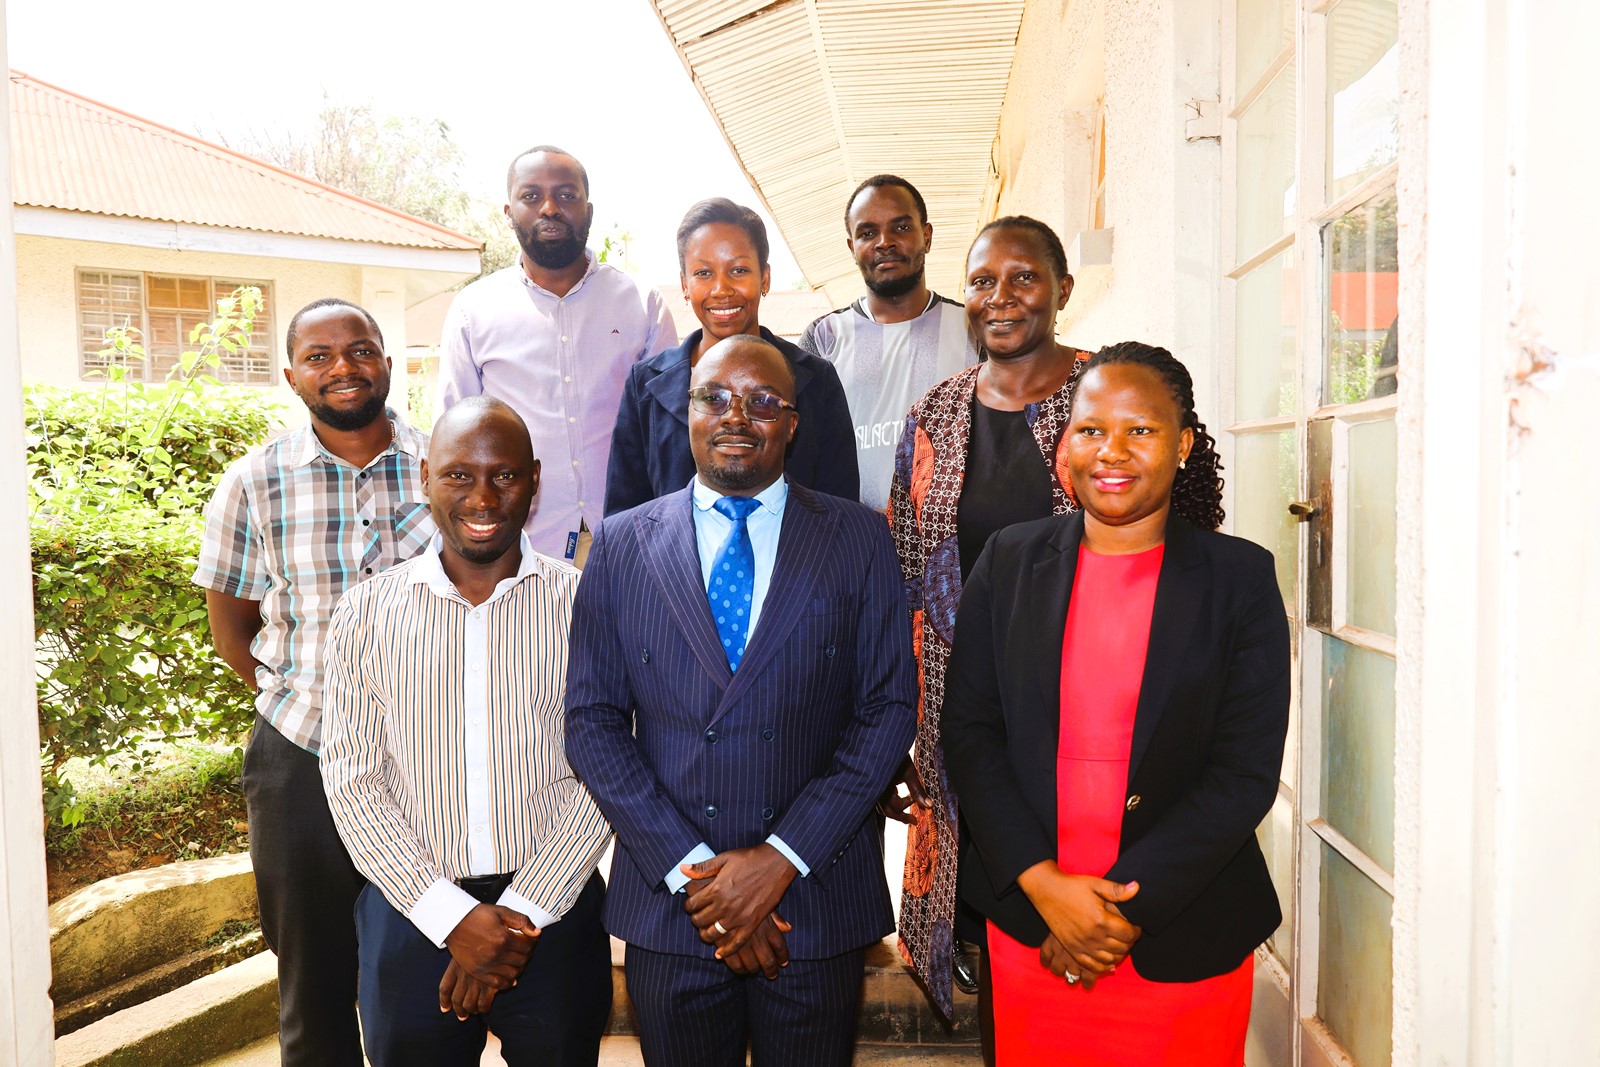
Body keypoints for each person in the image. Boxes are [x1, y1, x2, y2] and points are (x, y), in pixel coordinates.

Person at [567, 335, 917, 1067]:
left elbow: (887, 709)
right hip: (674, 907)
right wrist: (699, 874)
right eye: (715, 397)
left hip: (815, 900)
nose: (737, 415)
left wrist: (779, 860)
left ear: (792, 423)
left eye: (764, 402)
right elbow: (593, 722)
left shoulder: (859, 537)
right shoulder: (624, 545)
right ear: (686, 413)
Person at [940, 342, 1291, 1065]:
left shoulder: (1241, 580)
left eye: (1142, 429)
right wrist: (1045, 888)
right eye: (1092, 428)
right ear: (1065, 442)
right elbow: (970, 733)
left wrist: (1114, 914)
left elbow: (1243, 772)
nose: (1113, 450)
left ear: (1185, 443)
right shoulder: (1007, 561)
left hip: (1181, 929)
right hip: (1033, 921)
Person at [320, 397, 612, 1066]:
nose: (482, 495)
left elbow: (605, 767)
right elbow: (352, 780)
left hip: (554, 911)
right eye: (458, 475)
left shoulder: (585, 605)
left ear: (535, 480)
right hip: (411, 909)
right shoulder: (367, 611)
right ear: (425, 476)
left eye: (504, 475)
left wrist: (520, 914)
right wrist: (451, 917)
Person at [195, 298, 433, 1066]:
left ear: (387, 365)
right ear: (292, 373)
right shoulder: (253, 481)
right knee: (313, 988)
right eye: (321, 355)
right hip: (301, 759)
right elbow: (231, 626)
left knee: (419, 976)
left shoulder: (444, 465)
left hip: (422, 765)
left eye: (360, 349)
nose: (343, 367)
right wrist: (299, 697)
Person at [887, 216, 1090, 1025]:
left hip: (1080, 700)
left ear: (1062, 289)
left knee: (1071, 899)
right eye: (981, 282)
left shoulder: (1108, 392)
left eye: (1023, 278)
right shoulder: (934, 413)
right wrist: (902, 718)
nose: (1000, 298)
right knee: (997, 924)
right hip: (959, 709)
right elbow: (905, 569)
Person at [438, 145, 677, 564]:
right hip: (519, 552)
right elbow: (454, 438)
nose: (550, 207)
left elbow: (667, 432)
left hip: (632, 540)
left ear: (588, 208)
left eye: (566, 194)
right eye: (532, 196)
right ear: (509, 211)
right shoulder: (473, 311)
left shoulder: (640, 304)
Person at [604, 197, 857, 514]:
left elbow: (841, 512)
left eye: (738, 270)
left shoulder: (815, 380)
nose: (721, 289)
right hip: (671, 565)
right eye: (703, 273)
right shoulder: (646, 386)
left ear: (764, 278)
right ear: (684, 284)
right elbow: (624, 520)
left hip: (798, 562)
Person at [798, 175, 978, 510]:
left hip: (951, 546)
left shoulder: (973, 328)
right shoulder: (823, 337)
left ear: (926, 236)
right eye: (868, 233)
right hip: (852, 542)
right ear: (852, 247)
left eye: (901, 228)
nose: (885, 242)